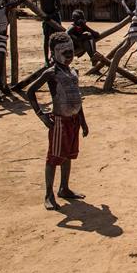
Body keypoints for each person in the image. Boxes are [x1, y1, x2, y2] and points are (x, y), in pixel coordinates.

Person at [27, 32, 89, 211]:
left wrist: (83, 122)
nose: (69, 56)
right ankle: (48, 194)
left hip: (74, 120)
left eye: (71, 52)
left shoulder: (72, 72)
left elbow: (77, 98)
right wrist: (42, 115)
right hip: (59, 121)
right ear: (54, 53)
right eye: (65, 53)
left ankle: (64, 187)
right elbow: (30, 92)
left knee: (68, 154)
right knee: (54, 157)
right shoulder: (51, 73)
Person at [25, 0, 62, 65]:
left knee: (56, 38)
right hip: (46, 19)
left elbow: (59, 7)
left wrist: (51, 15)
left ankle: (55, 56)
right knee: (46, 39)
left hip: (54, 18)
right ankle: (46, 59)